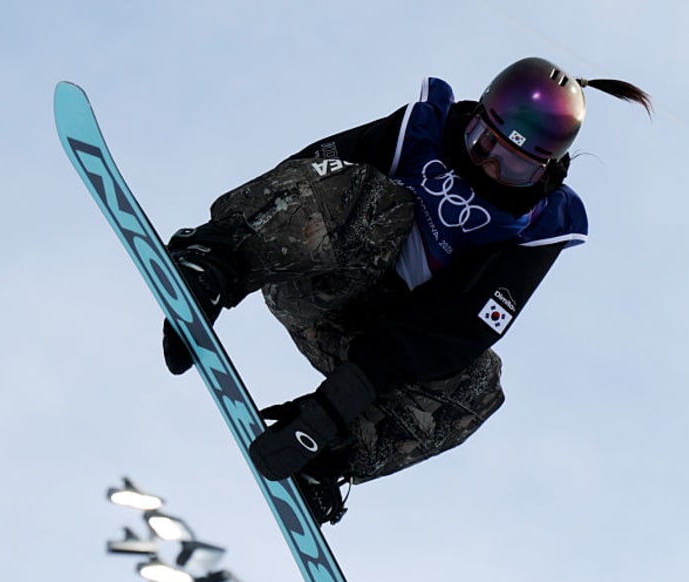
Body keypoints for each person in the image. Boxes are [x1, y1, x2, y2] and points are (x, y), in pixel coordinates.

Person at [161, 57, 651, 524]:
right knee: (381, 204)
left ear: (543, 169)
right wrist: (225, 252)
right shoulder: (422, 133)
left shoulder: (537, 226)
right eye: (484, 144)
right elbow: (309, 172)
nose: (490, 169)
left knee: (479, 383)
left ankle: (329, 459)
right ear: (475, 118)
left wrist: (334, 408)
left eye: (514, 167)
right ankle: (216, 259)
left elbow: (462, 326)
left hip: (374, 345)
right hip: (316, 281)